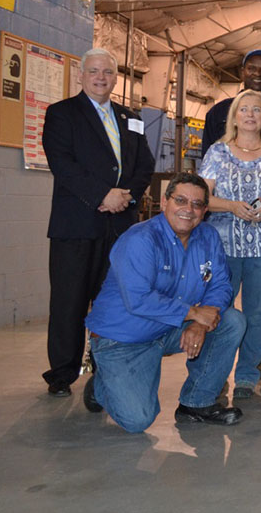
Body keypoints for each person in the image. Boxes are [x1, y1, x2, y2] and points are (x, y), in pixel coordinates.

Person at [82, 173, 244, 432]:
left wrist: (200, 322)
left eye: (197, 204)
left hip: (167, 329)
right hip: (124, 338)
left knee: (232, 321)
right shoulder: (140, 239)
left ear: (204, 210)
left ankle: (196, 403)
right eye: (180, 200)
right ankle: (101, 385)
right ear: (164, 201)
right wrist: (192, 312)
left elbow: (220, 284)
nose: (188, 210)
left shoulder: (208, 236)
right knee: (137, 420)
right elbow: (139, 300)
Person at [41, 48, 155, 397]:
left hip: (120, 225)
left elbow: (144, 165)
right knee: (69, 301)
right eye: (93, 71)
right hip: (76, 223)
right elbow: (62, 163)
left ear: (116, 77)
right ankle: (62, 373)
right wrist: (103, 195)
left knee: (114, 300)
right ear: (81, 74)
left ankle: (105, 367)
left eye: (107, 72)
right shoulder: (61, 114)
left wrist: (127, 196)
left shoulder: (131, 117)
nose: (100, 77)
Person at [201, 48, 261, 383]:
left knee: (257, 314)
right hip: (224, 245)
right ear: (234, 116)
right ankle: (214, 376)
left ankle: (246, 377)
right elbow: (202, 198)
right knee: (221, 312)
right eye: (244, 109)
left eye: (257, 110)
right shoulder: (217, 152)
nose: (250, 114)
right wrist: (230, 205)